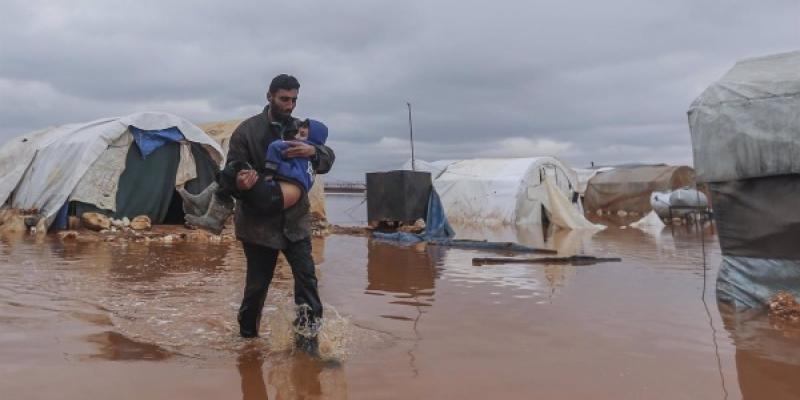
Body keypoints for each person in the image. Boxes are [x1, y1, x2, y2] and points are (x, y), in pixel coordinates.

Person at [206, 74, 335, 353]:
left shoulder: (301, 128)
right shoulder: (247, 131)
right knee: (256, 288)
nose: (289, 106)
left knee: (307, 284)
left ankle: (307, 348)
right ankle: (247, 344)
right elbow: (232, 174)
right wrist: (240, 184)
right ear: (270, 96)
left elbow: (327, 158)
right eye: (284, 99)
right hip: (259, 224)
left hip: (296, 223)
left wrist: (313, 150)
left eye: (294, 100)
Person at [180, 118, 328, 233]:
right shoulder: (250, 129)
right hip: (273, 202)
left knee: (237, 168)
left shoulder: (304, 152)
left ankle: (213, 216)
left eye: (302, 135)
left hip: (276, 200)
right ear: (270, 96)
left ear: (313, 141)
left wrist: (273, 168)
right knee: (236, 169)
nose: (296, 137)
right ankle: (204, 205)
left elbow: (292, 169)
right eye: (285, 99)